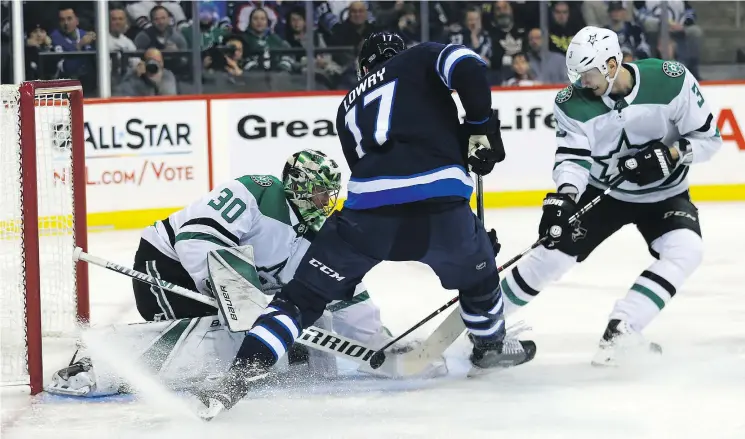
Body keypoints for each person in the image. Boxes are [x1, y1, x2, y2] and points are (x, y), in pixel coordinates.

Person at [199, 31, 537, 415]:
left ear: (363, 68)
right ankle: (489, 346)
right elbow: (469, 67)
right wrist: (479, 125)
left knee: (300, 300)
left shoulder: (347, 105)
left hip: (367, 219)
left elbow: (386, 158)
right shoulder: (421, 57)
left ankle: (234, 381)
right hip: (440, 212)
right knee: (479, 276)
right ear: (400, 53)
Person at [47, 149, 442, 398]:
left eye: (330, 194)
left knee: (262, 340)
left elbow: (344, 292)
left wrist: (382, 344)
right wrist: (238, 294)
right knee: (202, 338)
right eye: (321, 194)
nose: (327, 202)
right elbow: (195, 236)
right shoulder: (256, 191)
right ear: (300, 188)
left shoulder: (319, 234)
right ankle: (96, 360)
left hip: (235, 289)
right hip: (168, 264)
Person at [498, 26, 722, 366]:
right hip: (604, 190)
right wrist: (566, 196)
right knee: (551, 256)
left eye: (588, 73)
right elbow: (572, 158)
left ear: (613, 64)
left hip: (665, 193)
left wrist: (671, 155)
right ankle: (486, 321)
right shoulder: (571, 103)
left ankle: (622, 330)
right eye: (577, 73)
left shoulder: (671, 81)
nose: (581, 82)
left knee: (686, 250)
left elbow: (710, 140)